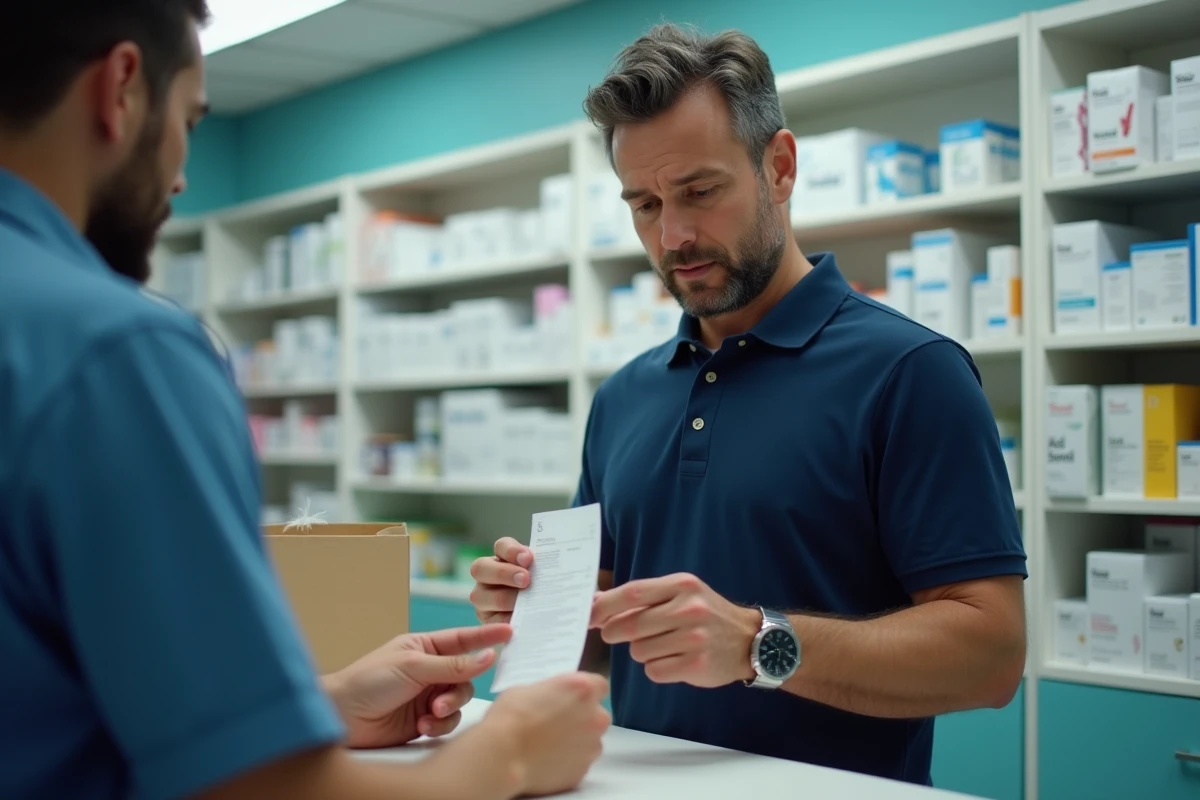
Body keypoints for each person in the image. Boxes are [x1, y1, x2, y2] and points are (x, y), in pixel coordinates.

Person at [0, 3, 609, 799]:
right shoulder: (116, 352)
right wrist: (511, 755)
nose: (181, 173)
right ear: (120, 90)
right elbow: (258, 789)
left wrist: (312, 709)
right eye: (188, 119)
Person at [469, 22, 1027, 786]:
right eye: (644, 204)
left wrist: (756, 643)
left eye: (700, 191)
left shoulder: (911, 373)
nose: (674, 235)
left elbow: (991, 656)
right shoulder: (625, 396)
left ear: (781, 166)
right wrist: (538, 610)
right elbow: (600, 638)